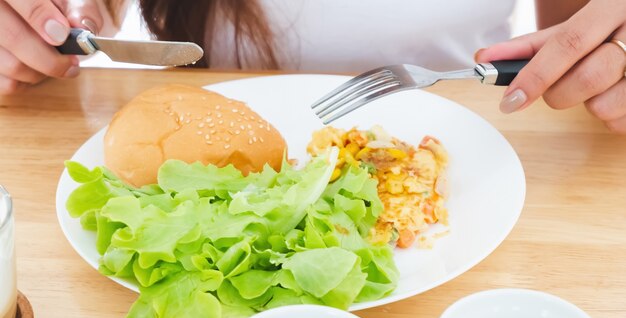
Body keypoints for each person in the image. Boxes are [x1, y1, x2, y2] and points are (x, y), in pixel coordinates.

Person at [0, 0, 625, 133]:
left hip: (468, 141)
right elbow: (88, 8)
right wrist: (36, 24)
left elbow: (580, 23)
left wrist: (610, 45)